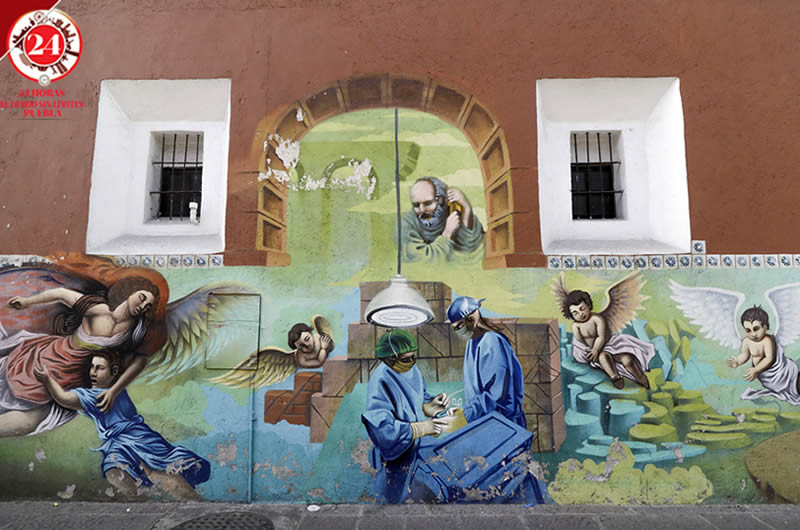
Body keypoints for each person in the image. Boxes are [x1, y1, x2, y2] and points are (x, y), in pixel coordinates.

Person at [34, 351, 210, 499]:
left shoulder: (98, 396)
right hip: (123, 442)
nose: (93, 372)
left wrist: (47, 379)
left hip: (136, 438)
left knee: (154, 472)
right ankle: (147, 503)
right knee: (116, 470)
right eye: (92, 367)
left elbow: (63, 398)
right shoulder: (114, 391)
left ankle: (193, 503)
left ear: (114, 371)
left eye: (100, 368)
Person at [0, 277, 161, 437]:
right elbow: (61, 294)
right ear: (130, 292)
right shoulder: (97, 310)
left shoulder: (134, 331)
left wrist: (114, 390)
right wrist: (27, 302)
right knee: (17, 381)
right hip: (53, 355)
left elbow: (140, 361)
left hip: (75, 376)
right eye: (141, 298)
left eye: (147, 306)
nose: (142, 307)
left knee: (33, 418)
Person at [361, 329, 451, 503]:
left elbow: (418, 398)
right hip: (396, 455)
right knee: (394, 499)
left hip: (417, 450)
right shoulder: (381, 380)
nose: (411, 362)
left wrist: (431, 406)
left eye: (413, 357)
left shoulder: (412, 370)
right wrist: (420, 428)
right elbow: (382, 429)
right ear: (390, 358)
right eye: (405, 359)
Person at [446, 296, 526, 428]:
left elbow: (495, 395)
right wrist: (464, 411)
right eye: (455, 328)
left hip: (504, 424)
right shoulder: (472, 342)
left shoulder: (492, 342)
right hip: (486, 420)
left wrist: (467, 414)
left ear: (471, 319)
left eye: (459, 326)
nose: (458, 331)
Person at [562, 289, 653, 389]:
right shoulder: (576, 326)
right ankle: (615, 377)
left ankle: (640, 377)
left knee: (627, 359)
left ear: (588, 305)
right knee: (603, 356)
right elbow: (579, 343)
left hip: (610, 345)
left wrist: (596, 349)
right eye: (575, 313)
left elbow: (601, 336)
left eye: (582, 308)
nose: (580, 314)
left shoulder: (597, 319)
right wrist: (589, 352)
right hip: (596, 353)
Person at [728, 306, 800, 405]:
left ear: (765, 327)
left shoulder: (767, 341)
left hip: (781, 372)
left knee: (797, 384)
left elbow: (769, 359)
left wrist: (756, 370)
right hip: (768, 377)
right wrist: (737, 362)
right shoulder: (746, 342)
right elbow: (745, 355)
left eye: (756, 329)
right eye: (748, 330)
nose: (753, 334)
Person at [402, 177, 484, 263]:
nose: (422, 210)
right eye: (416, 205)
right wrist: (447, 234)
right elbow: (423, 261)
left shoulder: (449, 213)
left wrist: (467, 209)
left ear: (441, 200)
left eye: (428, 203)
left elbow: (470, 248)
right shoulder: (406, 225)